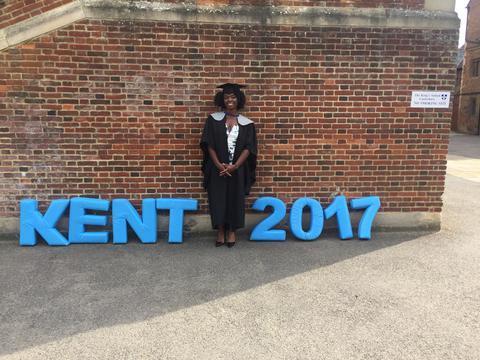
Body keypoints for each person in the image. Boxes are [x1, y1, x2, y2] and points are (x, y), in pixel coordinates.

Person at [200, 83, 257, 247]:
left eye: (233, 97)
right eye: (226, 97)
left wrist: (235, 166)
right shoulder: (213, 120)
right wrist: (219, 165)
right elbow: (209, 144)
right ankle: (220, 230)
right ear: (221, 100)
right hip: (217, 169)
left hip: (237, 170)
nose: (229, 100)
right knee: (217, 199)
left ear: (239, 99)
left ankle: (232, 231)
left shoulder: (247, 123)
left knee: (235, 200)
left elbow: (249, 147)